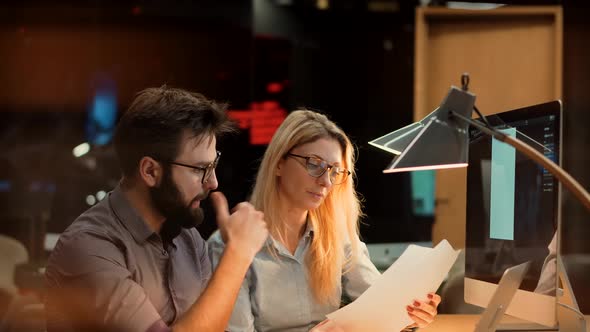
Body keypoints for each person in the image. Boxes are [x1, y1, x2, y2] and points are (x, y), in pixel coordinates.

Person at [44, 86, 269, 332]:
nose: (212, 182)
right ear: (150, 171)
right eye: (199, 169)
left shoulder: (189, 240)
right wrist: (237, 254)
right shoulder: (88, 247)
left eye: (213, 165)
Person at [208, 110, 441, 332]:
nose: (326, 182)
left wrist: (412, 314)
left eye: (335, 171)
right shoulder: (230, 244)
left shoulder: (338, 237)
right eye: (314, 164)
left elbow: (381, 307)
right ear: (279, 163)